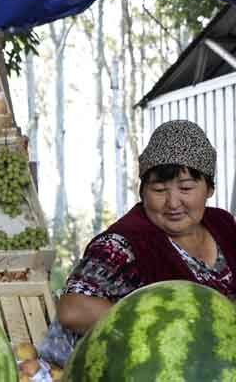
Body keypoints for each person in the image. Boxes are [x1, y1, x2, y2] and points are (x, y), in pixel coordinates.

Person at [39, 119, 236, 366]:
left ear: (209, 189)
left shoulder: (222, 225)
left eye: (186, 188)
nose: (173, 203)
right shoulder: (122, 244)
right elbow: (72, 310)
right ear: (142, 192)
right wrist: (170, 329)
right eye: (159, 190)